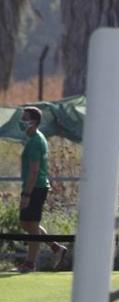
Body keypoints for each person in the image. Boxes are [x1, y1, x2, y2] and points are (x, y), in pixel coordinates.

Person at [15, 107, 67, 273]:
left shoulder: (36, 141)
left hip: (36, 188)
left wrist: (27, 194)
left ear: (34, 122)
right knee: (27, 224)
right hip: (34, 187)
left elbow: (34, 171)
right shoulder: (33, 139)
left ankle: (29, 264)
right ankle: (56, 248)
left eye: (24, 119)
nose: (21, 122)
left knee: (31, 226)